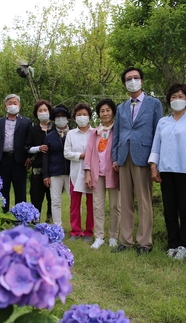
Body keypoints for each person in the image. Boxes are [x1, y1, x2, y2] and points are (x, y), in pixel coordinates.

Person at [149, 84, 186, 260]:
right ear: (168, 100)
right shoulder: (163, 121)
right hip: (166, 170)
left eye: (180, 96)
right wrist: (153, 166)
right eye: (173, 97)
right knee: (169, 210)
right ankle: (172, 244)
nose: (177, 100)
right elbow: (156, 145)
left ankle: (184, 245)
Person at [112, 67, 163, 255]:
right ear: (124, 84)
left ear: (142, 81)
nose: (132, 81)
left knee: (144, 201)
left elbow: (158, 132)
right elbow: (117, 134)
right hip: (124, 157)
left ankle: (144, 242)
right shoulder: (121, 107)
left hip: (144, 157)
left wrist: (155, 161)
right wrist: (115, 158)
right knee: (125, 200)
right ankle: (125, 240)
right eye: (128, 79)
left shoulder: (154, 104)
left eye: (135, 78)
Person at [84, 98, 121, 249]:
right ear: (98, 114)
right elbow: (89, 152)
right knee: (97, 206)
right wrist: (87, 172)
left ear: (113, 112)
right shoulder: (94, 132)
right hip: (97, 173)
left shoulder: (118, 130)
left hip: (114, 173)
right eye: (102, 111)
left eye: (108, 110)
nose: (105, 113)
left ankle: (114, 236)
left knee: (115, 206)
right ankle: (99, 237)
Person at [0, 94, 32, 212]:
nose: (12, 105)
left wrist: (29, 157)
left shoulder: (26, 122)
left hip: (19, 161)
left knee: (20, 191)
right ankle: (3, 216)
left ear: (19, 105)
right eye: (10, 103)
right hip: (3, 160)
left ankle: (20, 216)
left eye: (15, 103)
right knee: (3, 190)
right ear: (5, 106)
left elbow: (29, 141)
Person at [64, 103, 94, 242]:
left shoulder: (95, 133)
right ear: (74, 118)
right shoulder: (71, 134)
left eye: (84, 114)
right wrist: (81, 156)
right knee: (75, 204)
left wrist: (89, 157)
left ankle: (89, 231)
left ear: (89, 116)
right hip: (75, 172)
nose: (82, 117)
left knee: (91, 203)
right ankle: (75, 231)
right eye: (79, 115)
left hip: (92, 173)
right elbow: (66, 153)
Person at [43, 104, 71, 228]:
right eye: (58, 117)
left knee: (74, 201)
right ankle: (57, 226)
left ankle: (75, 226)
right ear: (54, 119)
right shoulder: (49, 136)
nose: (60, 119)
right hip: (54, 172)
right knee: (55, 201)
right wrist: (46, 175)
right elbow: (45, 157)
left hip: (72, 172)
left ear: (68, 118)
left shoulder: (73, 134)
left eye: (63, 116)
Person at [26, 100, 54, 222]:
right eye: (40, 111)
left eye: (45, 110)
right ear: (36, 113)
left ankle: (50, 220)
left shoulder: (56, 128)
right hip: (37, 169)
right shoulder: (33, 130)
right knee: (36, 196)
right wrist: (38, 148)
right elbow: (27, 148)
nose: (43, 113)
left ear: (49, 112)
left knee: (52, 197)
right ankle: (34, 221)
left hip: (53, 169)